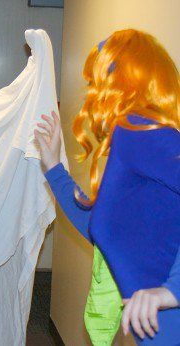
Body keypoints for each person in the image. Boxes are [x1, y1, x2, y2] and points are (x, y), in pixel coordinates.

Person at [35, 29, 180, 345]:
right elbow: (102, 227)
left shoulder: (138, 131)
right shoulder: (131, 141)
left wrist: (172, 289)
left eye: (99, 80)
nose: (92, 92)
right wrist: (53, 168)